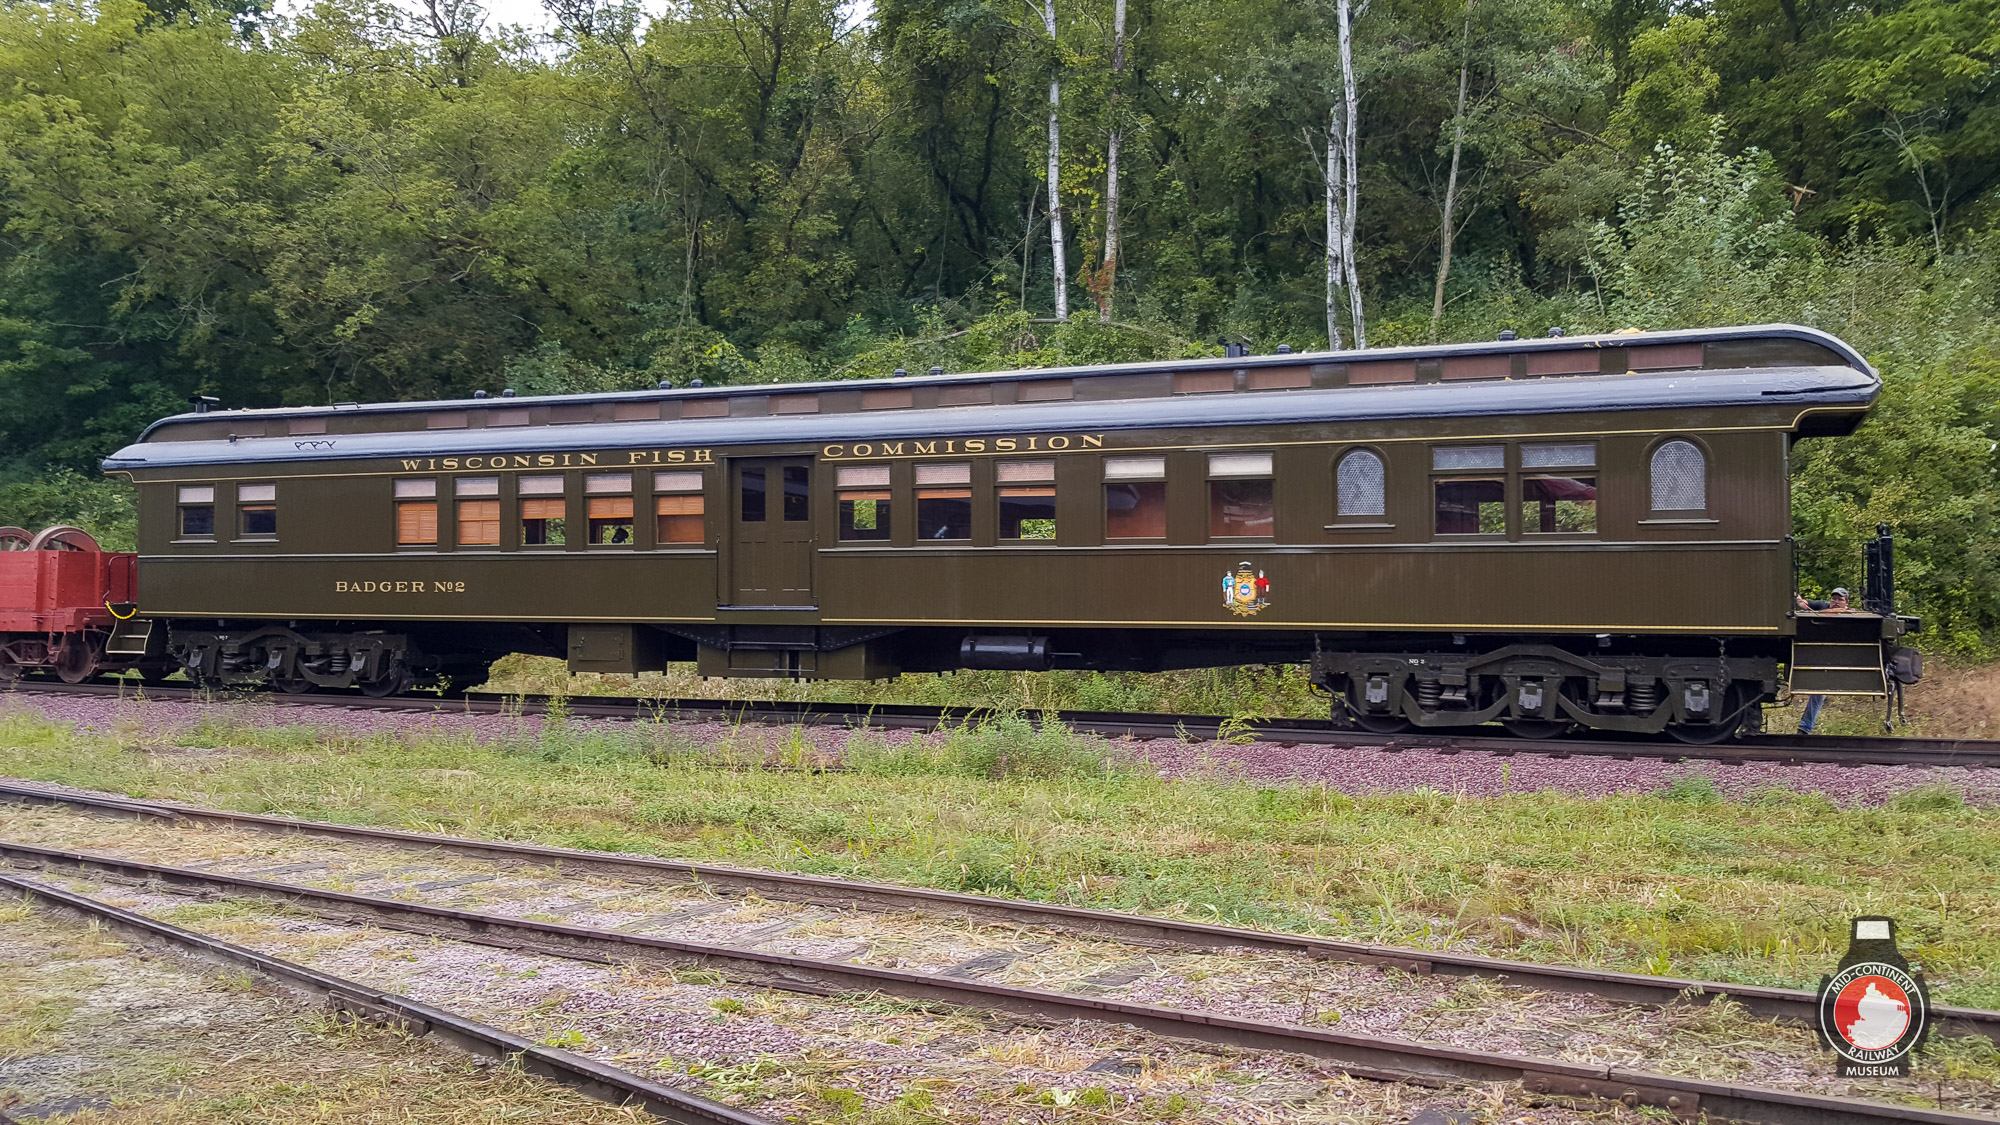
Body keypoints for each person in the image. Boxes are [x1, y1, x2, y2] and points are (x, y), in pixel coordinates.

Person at [1793, 588, 1851, 734]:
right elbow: (1802, 604)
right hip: (1818, 653)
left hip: (1839, 656)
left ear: (1846, 602)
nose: (1836, 602)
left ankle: (1805, 727)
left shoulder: (1851, 612)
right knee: (1819, 692)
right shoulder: (1821, 605)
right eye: (1834, 599)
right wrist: (1795, 596)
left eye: (1840, 599)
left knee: (1820, 692)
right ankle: (1805, 728)